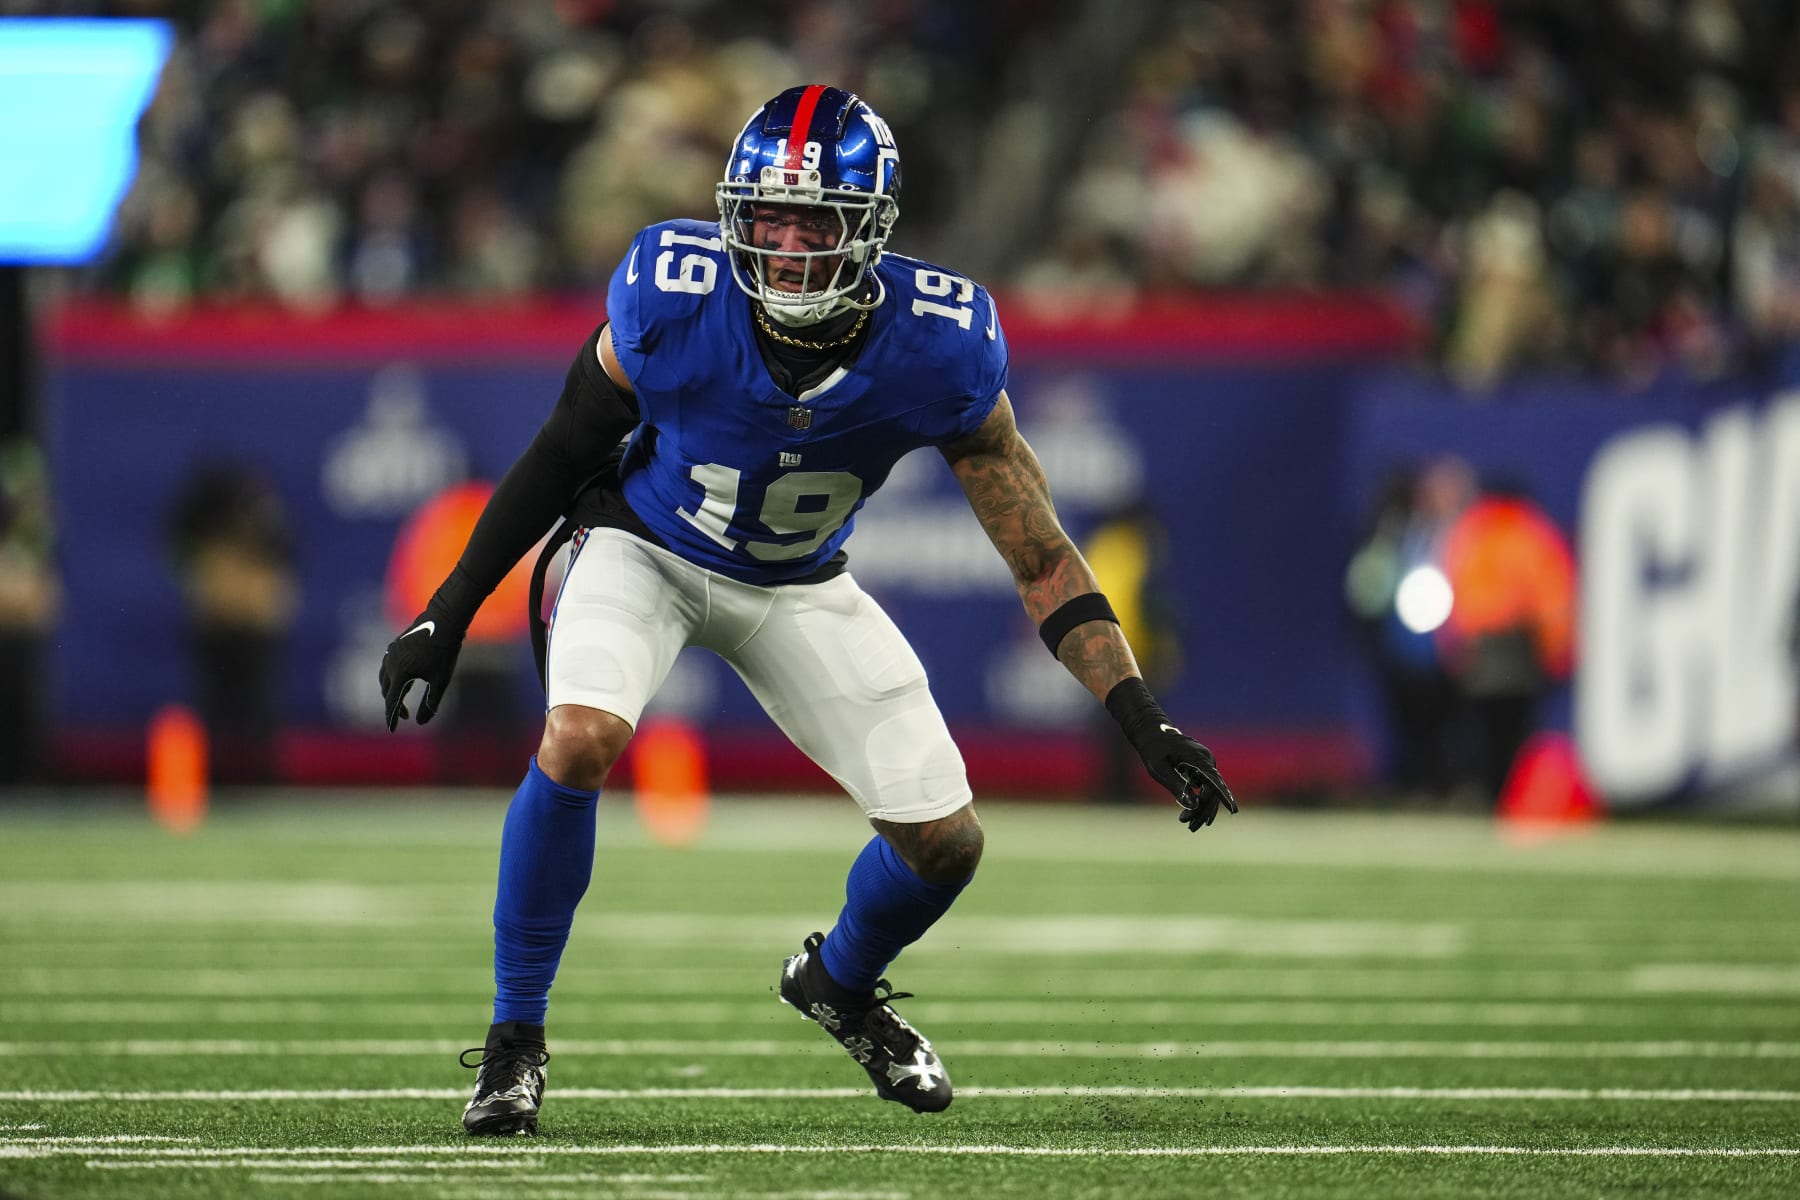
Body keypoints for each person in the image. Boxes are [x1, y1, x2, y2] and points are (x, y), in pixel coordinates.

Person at [378, 85, 1237, 1137]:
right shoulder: (673, 290)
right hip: (644, 546)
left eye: (814, 221)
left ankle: (837, 982)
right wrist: (450, 610)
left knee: (947, 845)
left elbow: (1039, 551)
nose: (784, 247)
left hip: (800, 583)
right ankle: (514, 1044)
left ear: (869, 228)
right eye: (768, 218)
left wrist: (1138, 714)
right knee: (582, 733)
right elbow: (563, 446)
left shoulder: (942, 345)